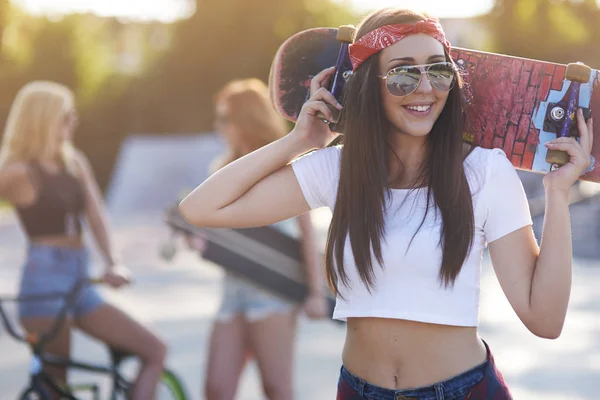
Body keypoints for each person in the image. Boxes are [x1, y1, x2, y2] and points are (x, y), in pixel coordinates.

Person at [178, 8, 593, 400]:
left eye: (439, 71)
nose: (425, 88)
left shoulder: (485, 173)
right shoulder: (337, 170)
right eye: (402, 75)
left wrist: (557, 194)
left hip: (461, 391)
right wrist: (298, 141)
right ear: (367, 85)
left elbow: (545, 320)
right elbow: (201, 209)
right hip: (359, 389)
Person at [0, 81, 167, 400]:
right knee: (55, 385)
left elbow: (96, 215)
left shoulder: (73, 161)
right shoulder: (16, 171)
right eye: (67, 115)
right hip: (43, 281)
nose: (74, 120)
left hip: (80, 280)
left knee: (154, 349)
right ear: (43, 119)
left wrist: (113, 261)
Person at [185, 78, 328, 400]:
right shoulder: (221, 168)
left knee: (277, 389)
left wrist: (316, 293)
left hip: (273, 294)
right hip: (232, 293)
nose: (218, 126)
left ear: (243, 120)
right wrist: (200, 242)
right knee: (216, 390)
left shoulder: (284, 164)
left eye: (223, 119)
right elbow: (218, 229)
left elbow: (306, 232)